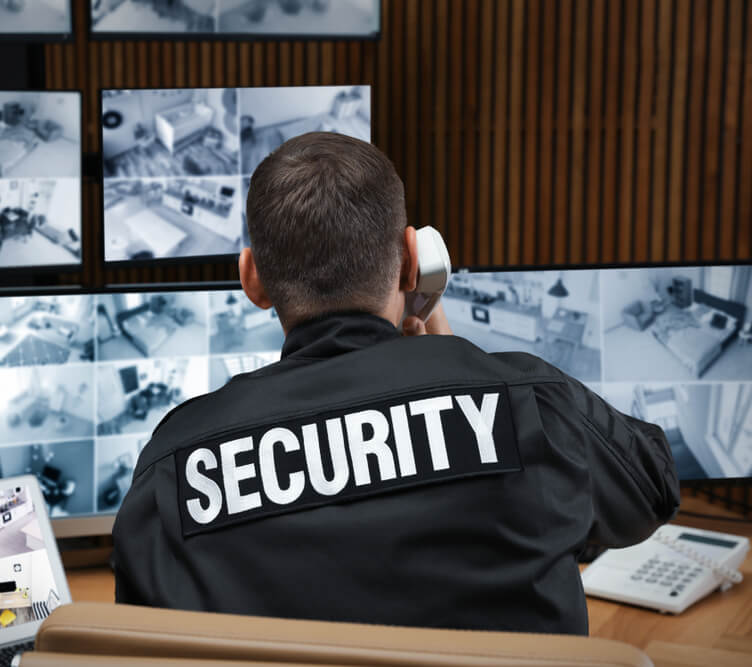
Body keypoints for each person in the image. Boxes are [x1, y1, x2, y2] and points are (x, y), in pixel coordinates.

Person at [112, 132, 679, 635]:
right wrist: (462, 367)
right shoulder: (529, 404)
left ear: (251, 278)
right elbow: (652, 485)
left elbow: (144, 633)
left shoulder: (174, 466)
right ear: (414, 263)